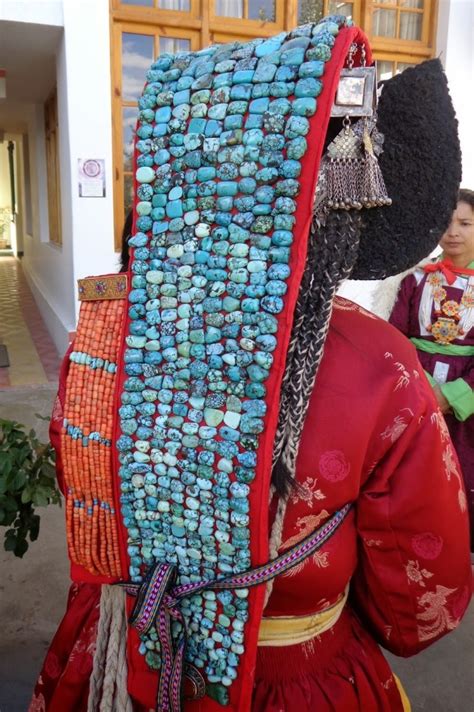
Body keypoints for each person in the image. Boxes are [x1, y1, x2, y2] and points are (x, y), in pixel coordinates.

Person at [29, 16, 471, 712]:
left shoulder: (102, 333)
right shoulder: (381, 364)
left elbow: (92, 514)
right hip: (299, 680)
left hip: (121, 658)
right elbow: (421, 605)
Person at [389, 190, 474, 547]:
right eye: (446, 222)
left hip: (468, 401)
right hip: (414, 394)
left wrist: (452, 395)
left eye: (465, 223)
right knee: (411, 476)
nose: (453, 232)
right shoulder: (413, 278)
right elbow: (394, 337)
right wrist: (424, 390)